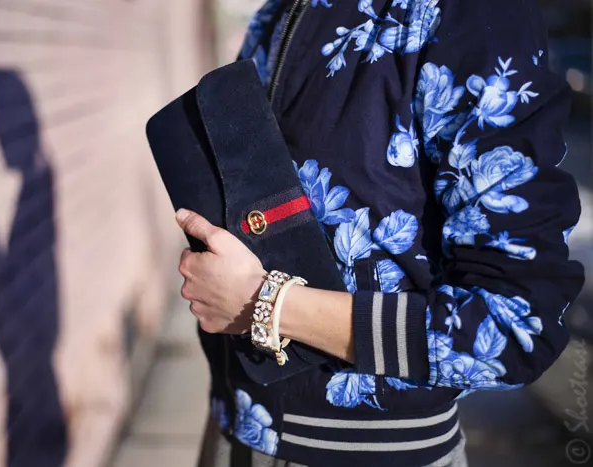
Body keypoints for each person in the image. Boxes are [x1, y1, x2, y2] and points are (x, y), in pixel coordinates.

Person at [175, 1, 585, 466]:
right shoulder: (278, 12)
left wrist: (267, 303)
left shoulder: (470, 12)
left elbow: (516, 324)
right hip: (232, 432)